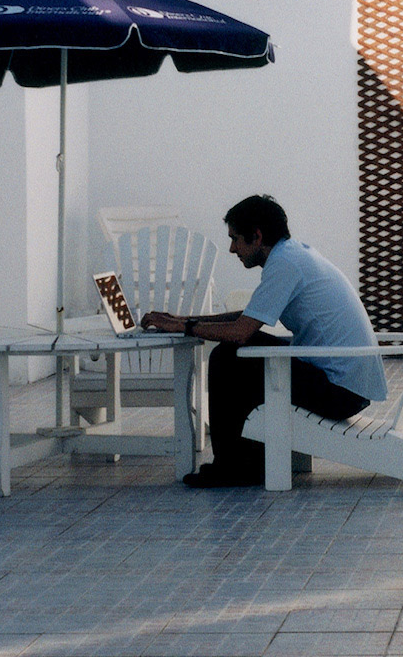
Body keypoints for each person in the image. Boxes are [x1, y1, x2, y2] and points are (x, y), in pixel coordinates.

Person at [143, 194, 384, 488]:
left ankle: (234, 467)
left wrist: (185, 327)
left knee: (227, 358)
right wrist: (181, 320)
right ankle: (247, 461)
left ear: (257, 236)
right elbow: (250, 316)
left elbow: (239, 332)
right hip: (345, 381)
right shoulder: (292, 255)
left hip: (340, 391)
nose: (232, 248)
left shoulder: (285, 264)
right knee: (245, 349)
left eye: (236, 239)